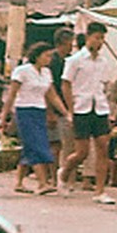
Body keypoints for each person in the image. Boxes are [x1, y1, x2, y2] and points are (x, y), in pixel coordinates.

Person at [0, 42, 71, 194]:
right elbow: (12, 95)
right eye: (46, 56)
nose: (49, 59)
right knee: (37, 145)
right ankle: (42, 183)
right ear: (37, 56)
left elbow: (52, 95)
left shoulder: (46, 73)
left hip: (40, 111)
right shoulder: (22, 71)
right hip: (25, 111)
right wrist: (3, 117)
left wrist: (66, 113)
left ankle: (19, 182)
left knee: (30, 146)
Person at [59, 22, 117, 205]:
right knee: (81, 152)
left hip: (99, 107)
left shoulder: (103, 62)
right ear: (88, 37)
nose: (100, 42)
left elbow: (105, 85)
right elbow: (66, 84)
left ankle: (100, 191)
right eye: (97, 38)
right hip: (81, 107)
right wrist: (70, 109)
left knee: (102, 147)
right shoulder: (75, 60)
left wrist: (108, 109)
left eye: (102, 39)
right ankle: (65, 172)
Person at [48, 28, 75, 166]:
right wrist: (50, 113)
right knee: (55, 144)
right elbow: (48, 89)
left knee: (61, 144)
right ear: (62, 42)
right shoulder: (52, 61)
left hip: (63, 106)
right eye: (70, 43)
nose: (72, 46)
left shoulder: (68, 60)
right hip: (54, 108)